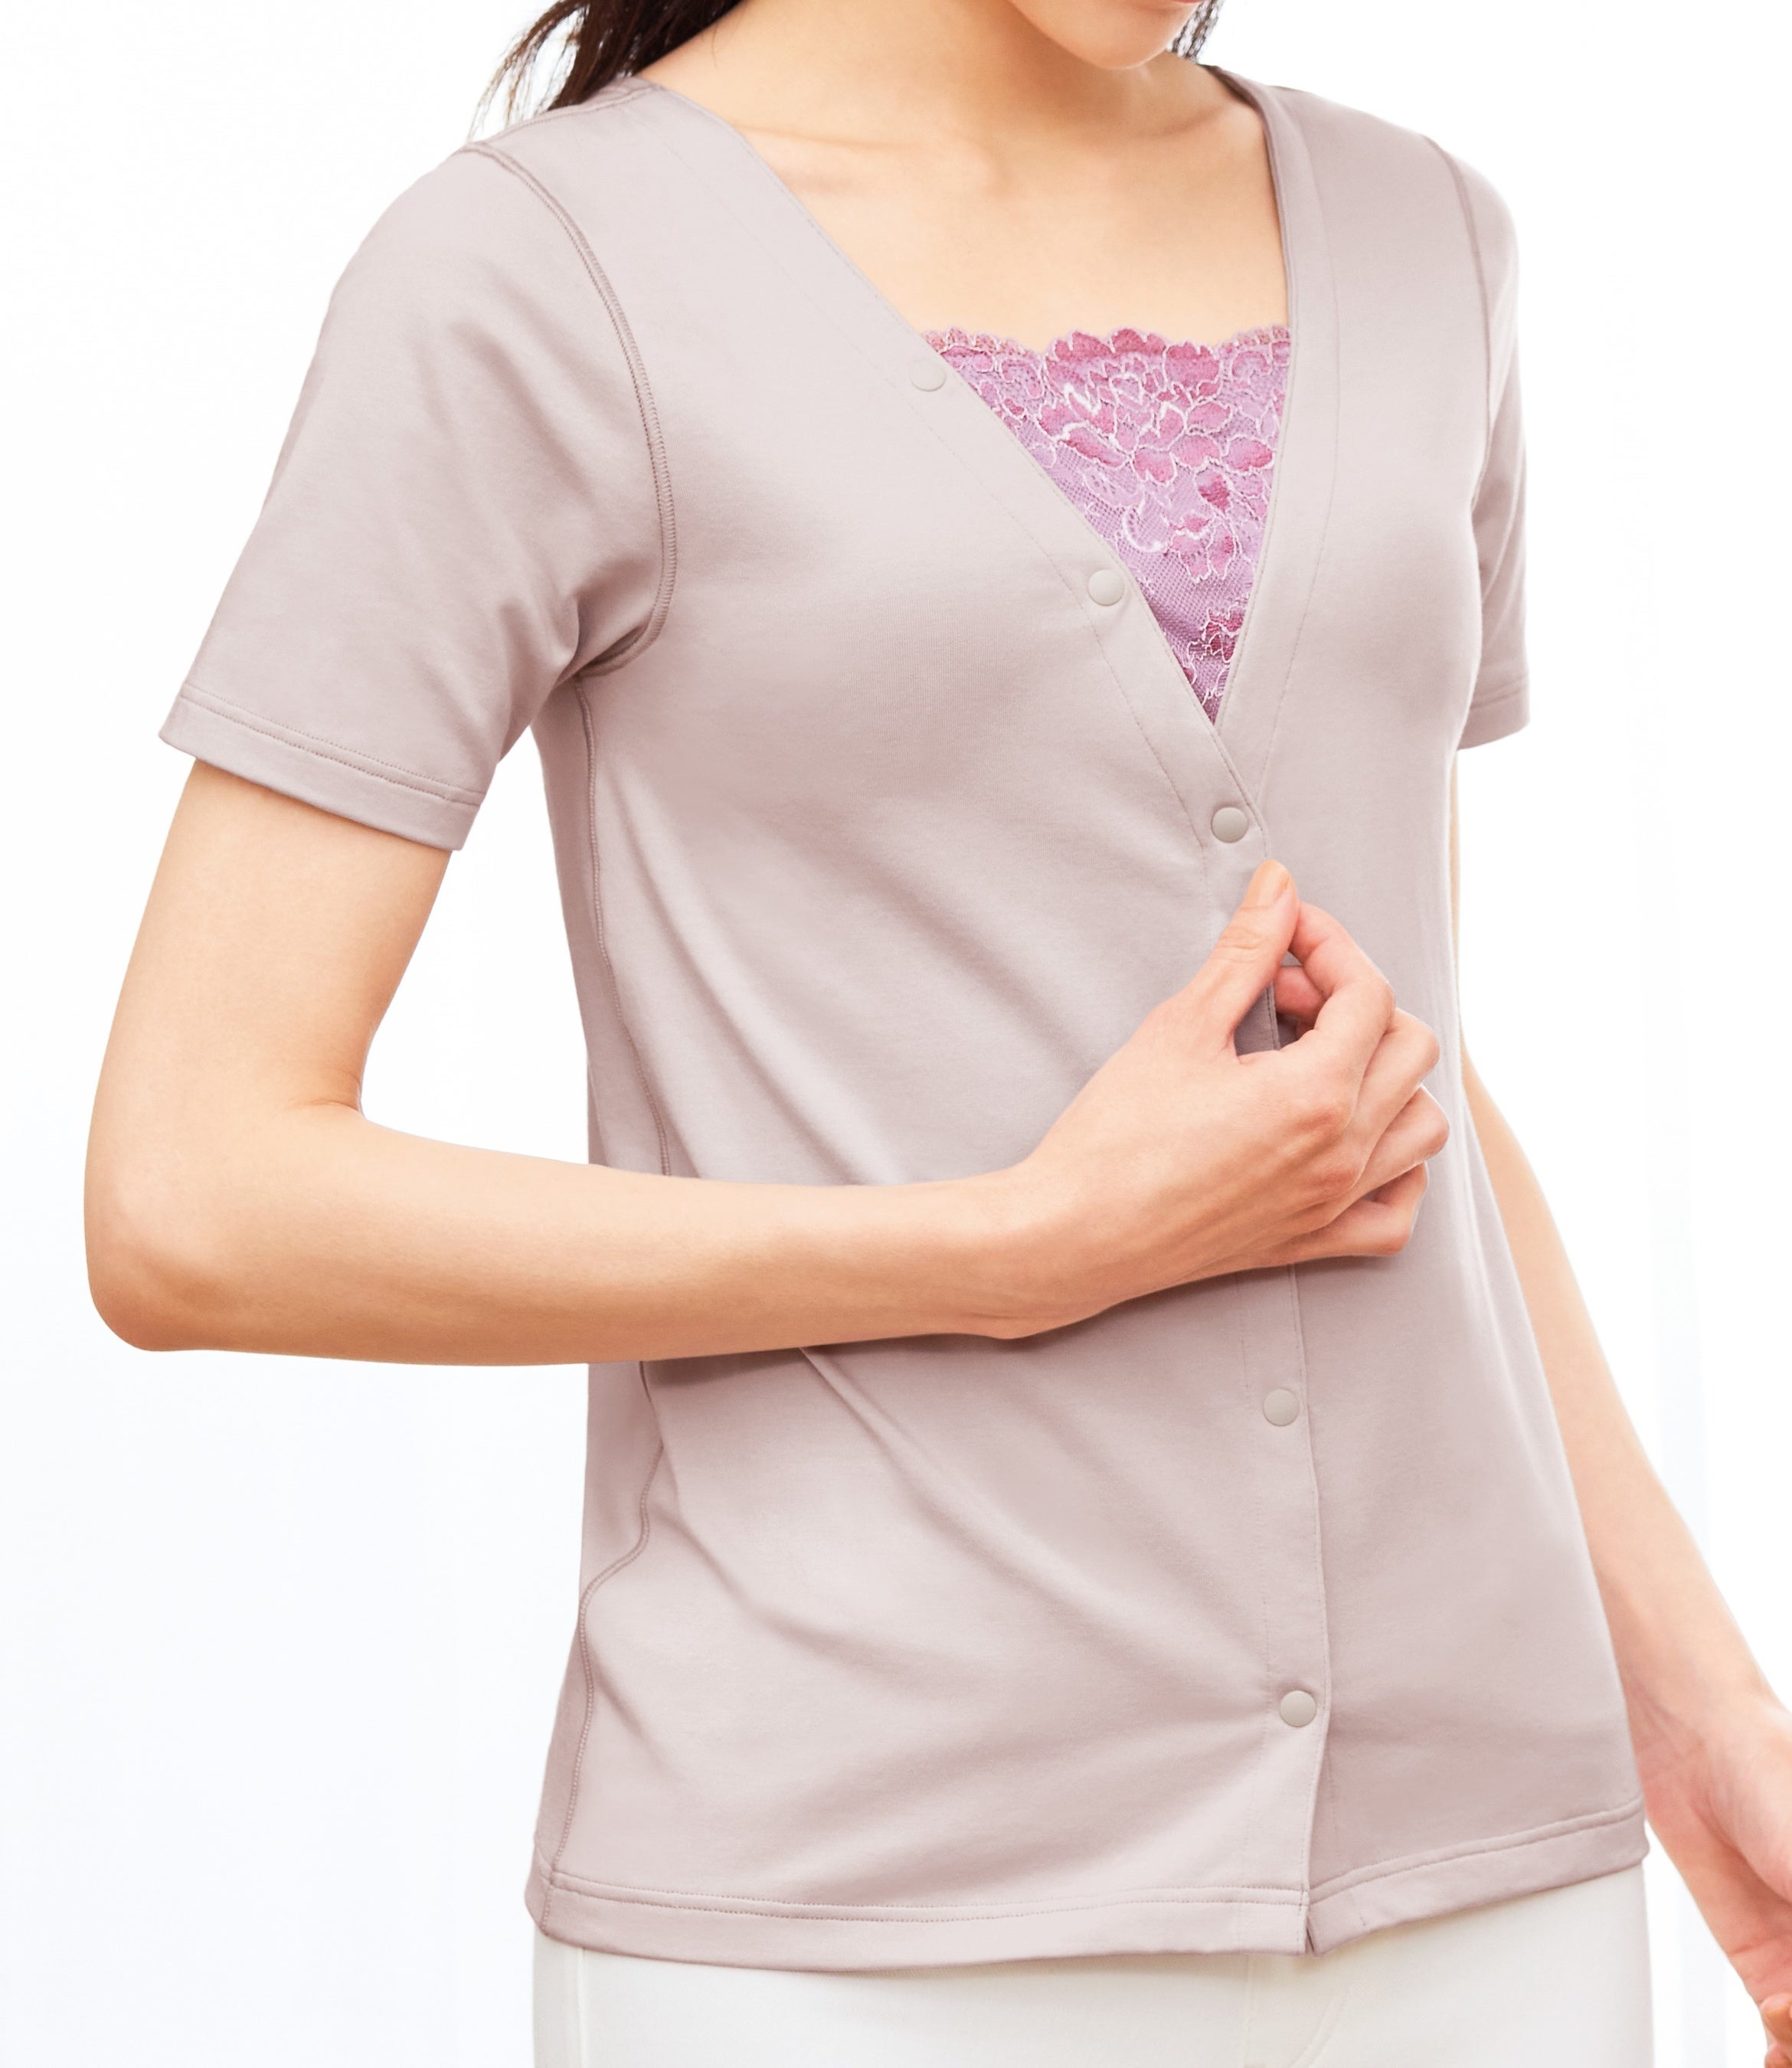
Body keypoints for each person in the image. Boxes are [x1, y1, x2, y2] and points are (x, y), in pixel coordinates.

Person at [83, 2, 1792, 2062]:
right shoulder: (533, 274)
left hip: (1488, 1878)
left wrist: (1708, 1720)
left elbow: (1398, 1071)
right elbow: (193, 1193)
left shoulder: (1425, 234)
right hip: (837, 1912)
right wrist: (1011, 1245)